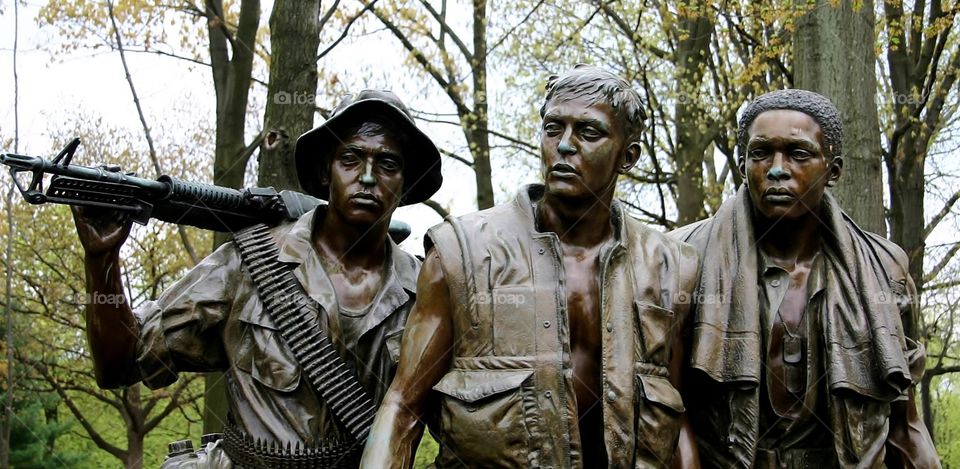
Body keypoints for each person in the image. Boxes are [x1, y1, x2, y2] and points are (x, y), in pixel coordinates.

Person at [71, 90, 442, 467]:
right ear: (323, 171)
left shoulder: (429, 291)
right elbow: (120, 364)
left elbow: (467, 423)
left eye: (388, 164)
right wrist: (101, 260)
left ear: (406, 182)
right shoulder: (251, 261)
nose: (367, 177)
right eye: (350, 158)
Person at [361, 65, 699, 468]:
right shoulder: (461, 253)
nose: (565, 146)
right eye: (554, 128)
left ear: (628, 156)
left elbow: (676, 420)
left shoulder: (670, 267)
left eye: (588, 132)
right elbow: (402, 406)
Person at [671, 89, 940, 468]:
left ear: (833, 169)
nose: (777, 169)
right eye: (761, 153)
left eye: (798, 154)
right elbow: (663, 412)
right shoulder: (682, 257)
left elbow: (904, 424)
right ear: (745, 163)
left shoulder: (884, 268)